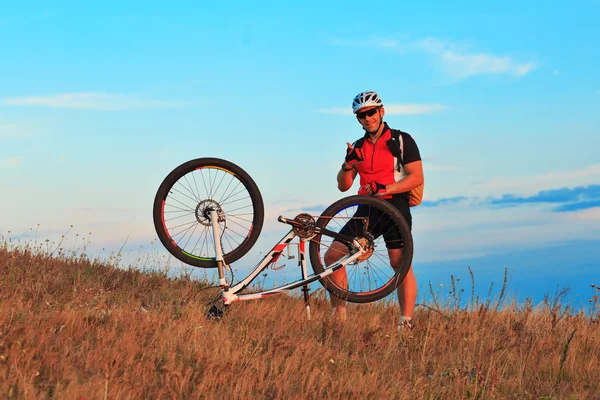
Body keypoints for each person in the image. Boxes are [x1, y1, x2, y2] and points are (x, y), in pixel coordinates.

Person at [326, 90, 424, 330]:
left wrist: (385, 187)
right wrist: (347, 163)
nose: (367, 118)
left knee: (399, 263)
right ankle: (339, 318)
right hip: (367, 208)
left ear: (381, 111)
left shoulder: (401, 140)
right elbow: (343, 185)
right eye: (361, 115)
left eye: (371, 112)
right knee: (332, 256)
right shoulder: (358, 146)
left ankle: (406, 323)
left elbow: (416, 177)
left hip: (394, 205)